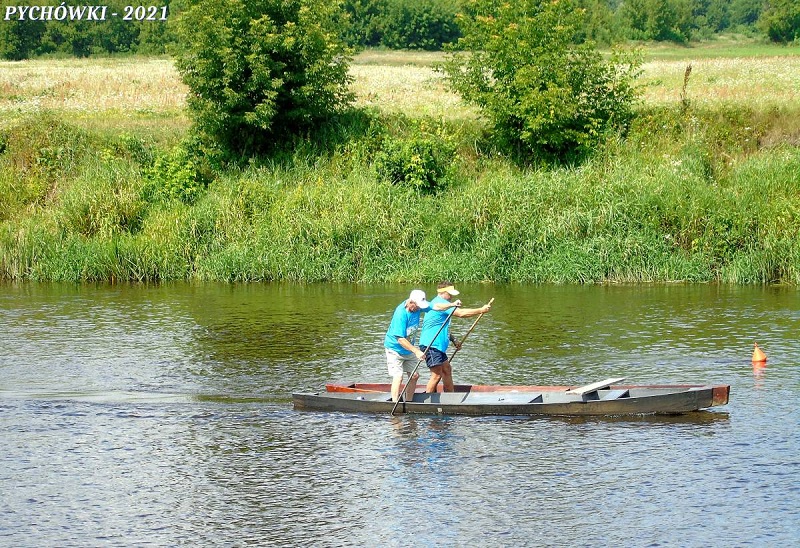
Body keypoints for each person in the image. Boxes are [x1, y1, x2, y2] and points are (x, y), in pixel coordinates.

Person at [384, 289, 457, 402]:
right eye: (417, 306)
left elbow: (436, 306)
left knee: (414, 376)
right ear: (411, 302)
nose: (419, 308)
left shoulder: (419, 305)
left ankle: (409, 402)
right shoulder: (401, 314)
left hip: (408, 350)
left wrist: (451, 305)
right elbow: (400, 339)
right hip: (394, 349)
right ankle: (395, 402)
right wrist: (417, 351)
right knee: (398, 377)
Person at [419, 282, 491, 393]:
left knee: (447, 369)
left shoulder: (444, 303)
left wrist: (453, 340)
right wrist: (480, 310)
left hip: (438, 346)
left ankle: (450, 396)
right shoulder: (440, 303)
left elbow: (441, 327)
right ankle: (427, 400)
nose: (452, 296)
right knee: (436, 375)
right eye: (450, 293)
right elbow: (461, 313)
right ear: (442, 292)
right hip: (431, 345)